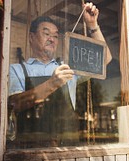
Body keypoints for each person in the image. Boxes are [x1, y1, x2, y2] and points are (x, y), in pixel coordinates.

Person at [8, 2, 112, 148]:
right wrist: (52, 83)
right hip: (30, 149)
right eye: (46, 34)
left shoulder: (67, 68)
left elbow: (105, 59)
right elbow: (14, 104)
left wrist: (93, 26)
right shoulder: (17, 69)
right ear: (31, 38)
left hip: (67, 147)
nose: (52, 39)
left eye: (56, 36)